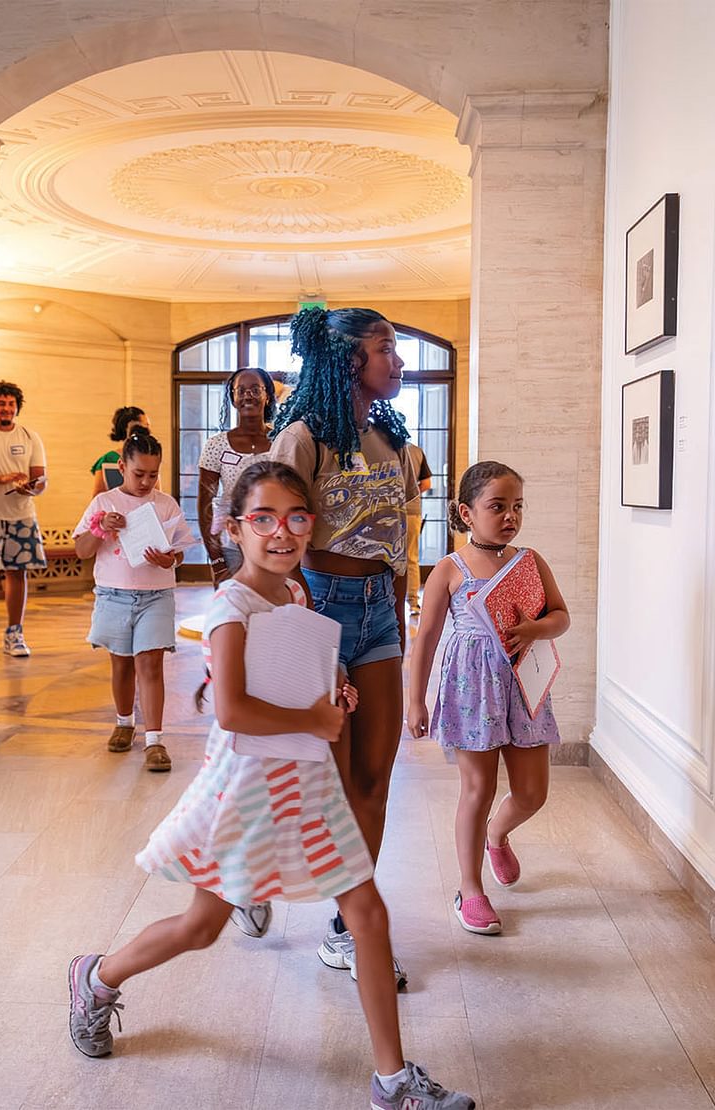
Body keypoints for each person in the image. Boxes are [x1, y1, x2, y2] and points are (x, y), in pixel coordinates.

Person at [67, 460, 475, 1110]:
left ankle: (392, 1080)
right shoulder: (232, 606)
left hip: (308, 780)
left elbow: (298, 676)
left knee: (367, 914)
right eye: (263, 518)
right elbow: (230, 711)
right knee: (202, 927)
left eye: (296, 518)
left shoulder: (296, 595)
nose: (281, 532)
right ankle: (97, 977)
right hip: (250, 788)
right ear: (234, 528)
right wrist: (314, 717)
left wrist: (331, 692)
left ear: (311, 527)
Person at [269, 306, 417, 987]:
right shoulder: (302, 437)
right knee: (323, 783)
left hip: (379, 613)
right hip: (318, 608)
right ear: (348, 359)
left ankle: (346, 927)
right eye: (386, 348)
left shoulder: (392, 437)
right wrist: (298, 626)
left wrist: (401, 613)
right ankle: (249, 877)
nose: (398, 360)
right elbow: (273, 544)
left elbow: (399, 538)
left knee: (373, 781)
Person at [406, 461, 570, 934]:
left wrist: (536, 627)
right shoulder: (449, 570)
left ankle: (497, 835)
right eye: (497, 506)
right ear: (466, 511)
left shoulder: (530, 562)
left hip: (523, 686)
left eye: (517, 506)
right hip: (472, 689)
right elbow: (426, 639)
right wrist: (416, 700)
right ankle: (470, 889)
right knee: (477, 791)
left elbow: (560, 616)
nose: (509, 516)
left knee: (532, 793)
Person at [73, 430, 192, 766]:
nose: (146, 482)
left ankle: (155, 741)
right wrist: (100, 529)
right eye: (139, 473)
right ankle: (124, 722)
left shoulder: (165, 504)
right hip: (113, 595)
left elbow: (179, 552)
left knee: (151, 664)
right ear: (122, 467)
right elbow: (81, 551)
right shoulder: (104, 503)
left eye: (153, 474)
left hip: (156, 595)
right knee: (122, 664)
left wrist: (168, 559)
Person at [198, 367, 277, 587]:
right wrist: (217, 559)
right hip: (231, 546)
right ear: (233, 398)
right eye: (240, 390)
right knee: (233, 615)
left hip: (273, 543)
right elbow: (205, 505)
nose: (248, 395)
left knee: (271, 612)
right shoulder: (216, 445)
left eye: (255, 389)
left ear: (267, 396)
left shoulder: (282, 440)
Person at [0, 380, 48, 658]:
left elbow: (40, 480)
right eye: (1, 403)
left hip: (21, 515)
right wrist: (3, 479)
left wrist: (30, 486)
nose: (6, 408)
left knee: (17, 573)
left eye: (11, 404)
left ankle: (14, 633)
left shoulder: (29, 436)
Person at [90, 406, 150, 494]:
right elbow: (98, 497)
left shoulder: (149, 457)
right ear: (129, 428)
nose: (148, 431)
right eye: (146, 426)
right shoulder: (108, 459)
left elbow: (156, 494)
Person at [404, 442, 433, 617]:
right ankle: (413, 603)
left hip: (385, 511)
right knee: (411, 557)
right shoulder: (416, 451)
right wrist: (411, 493)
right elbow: (427, 483)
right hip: (412, 511)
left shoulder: (383, 447)